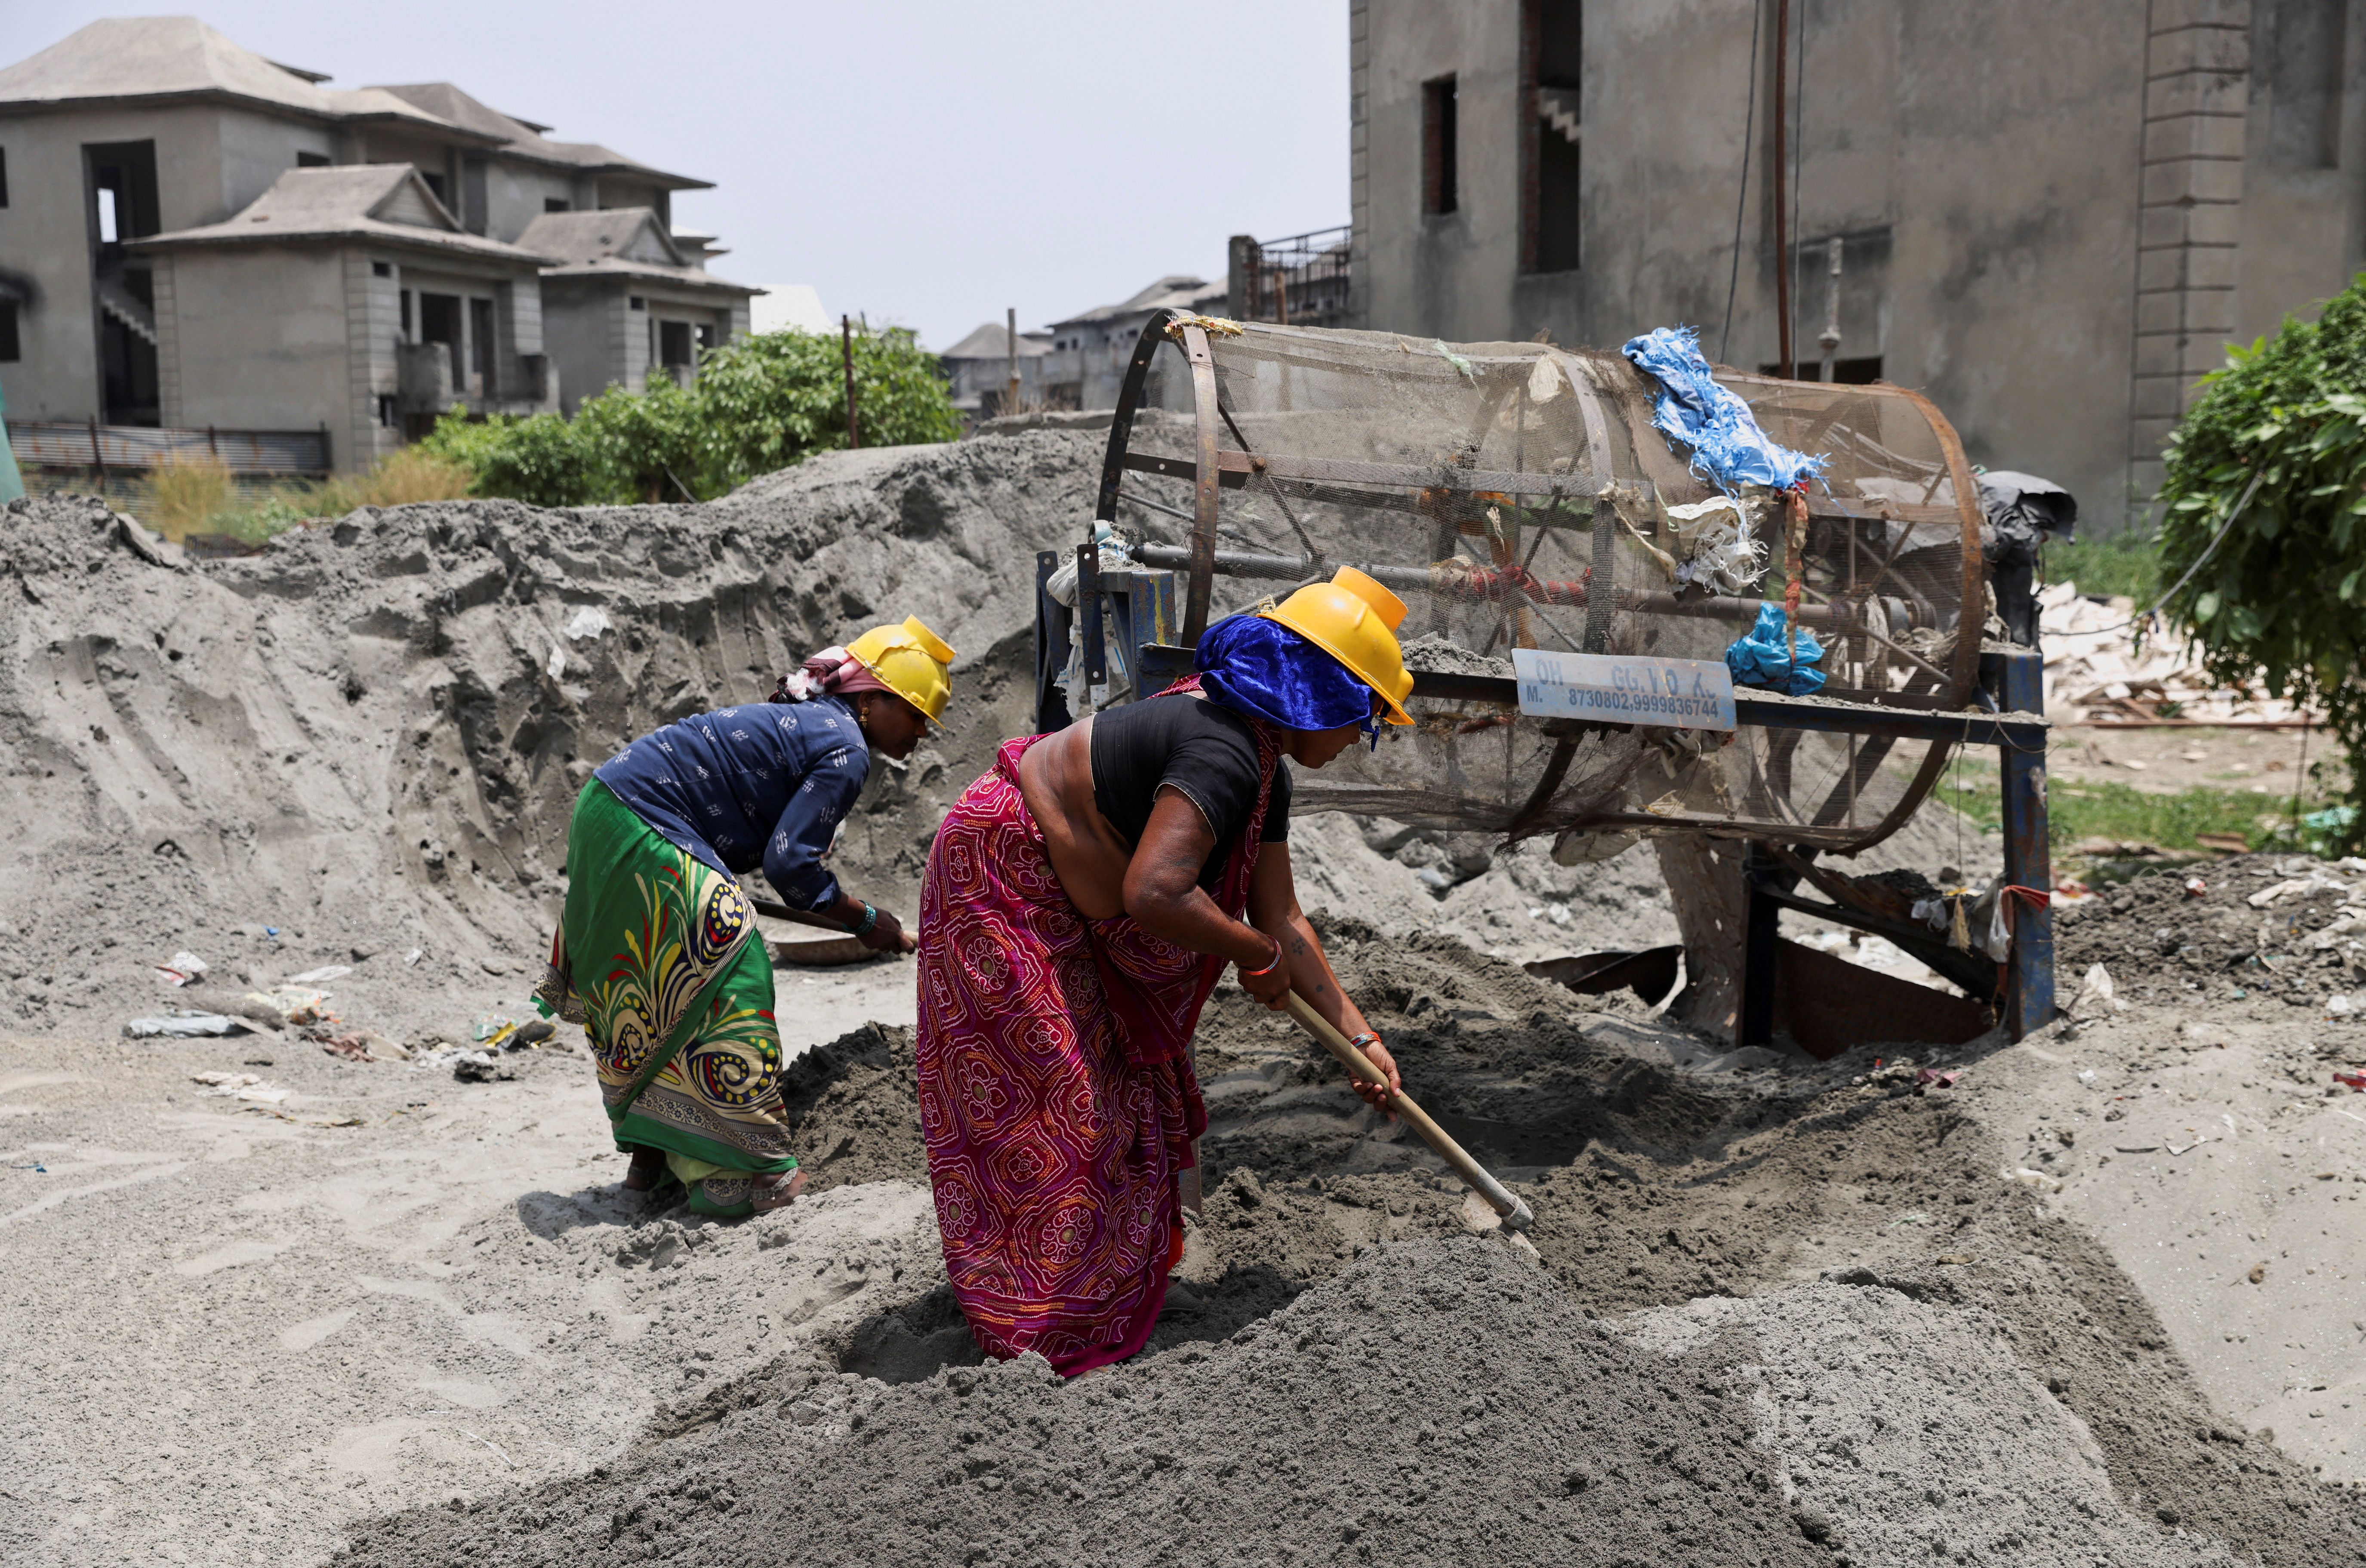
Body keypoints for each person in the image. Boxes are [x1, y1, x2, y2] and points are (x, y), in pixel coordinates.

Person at [916, 567, 1414, 1375]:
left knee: (1117, 1090)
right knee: (1065, 1104)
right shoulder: (1225, 751)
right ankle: (1039, 1330)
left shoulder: (1263, 765)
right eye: (1365, 719)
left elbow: (1282, 918)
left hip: (1061, 895)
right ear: (1325, 693)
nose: (1361, 739)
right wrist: (1249, 954)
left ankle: (1109, 1290)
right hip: (1002, 878)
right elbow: (1156, 893)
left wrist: (1361, 1037)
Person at [535, 616, 957, 1218]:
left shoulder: (819, 727)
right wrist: (868, 920)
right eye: (915, 714)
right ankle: (761, 1176)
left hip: (603, 810)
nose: (921, 733)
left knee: (660, 991)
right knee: (736, 968)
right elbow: (790, 864)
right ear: (869, 701)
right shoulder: (846, 748)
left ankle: (648, 1165)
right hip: (643, 821)